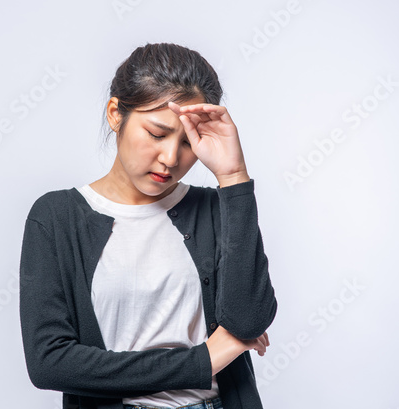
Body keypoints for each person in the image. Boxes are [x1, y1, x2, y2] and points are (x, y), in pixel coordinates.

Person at [19, 42, 278, 409]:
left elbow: (248, 320)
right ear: (115, 113)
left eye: (188, 142)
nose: (171, 158)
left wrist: (234, 177)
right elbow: (51, 363)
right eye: (157, 134)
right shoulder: (57, 218)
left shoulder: (213, 209)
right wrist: (206, 359)